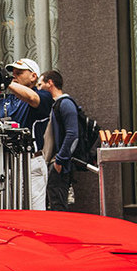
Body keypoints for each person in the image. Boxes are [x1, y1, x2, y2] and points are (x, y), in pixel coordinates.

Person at [0, 58, 52, 209]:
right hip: (8, 164)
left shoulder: (43, 96)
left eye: (19, 73)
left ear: (33, 76)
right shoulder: (4, 101)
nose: (14, 75)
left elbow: (32, 98)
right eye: (12, 73)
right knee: (12, 215)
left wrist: (7, 82)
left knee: (35, 216)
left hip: (30, 163)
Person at [39, 69, 79, 211]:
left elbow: (72, 134)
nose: (39, 89)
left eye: (40, 84)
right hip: (51, 162)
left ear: (50, 83)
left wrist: (60, 160)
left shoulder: (65, 103)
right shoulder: (54, 104)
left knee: (58, 206)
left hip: (58, 163)